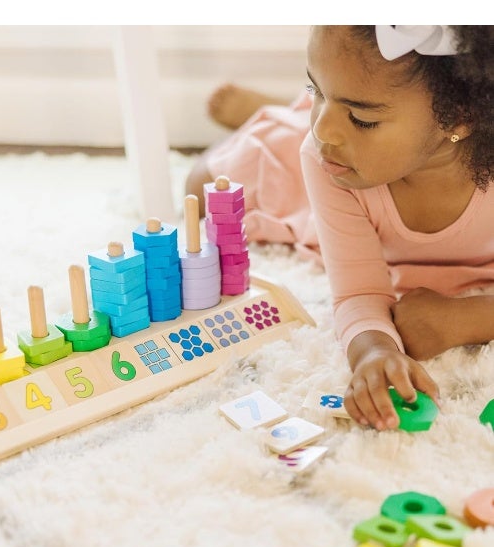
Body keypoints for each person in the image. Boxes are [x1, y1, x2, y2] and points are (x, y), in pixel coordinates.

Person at [186, 26, 494, 431]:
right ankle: (286, 116)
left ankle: (295, 109)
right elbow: (358, 292)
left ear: (458, 116)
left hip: (375, 164)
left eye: (362, 118)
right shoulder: (321, 155)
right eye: (315, 89)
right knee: (199, 188)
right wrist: (372, 350)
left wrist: (464, 319)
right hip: (344, 177)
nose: (323, 130)